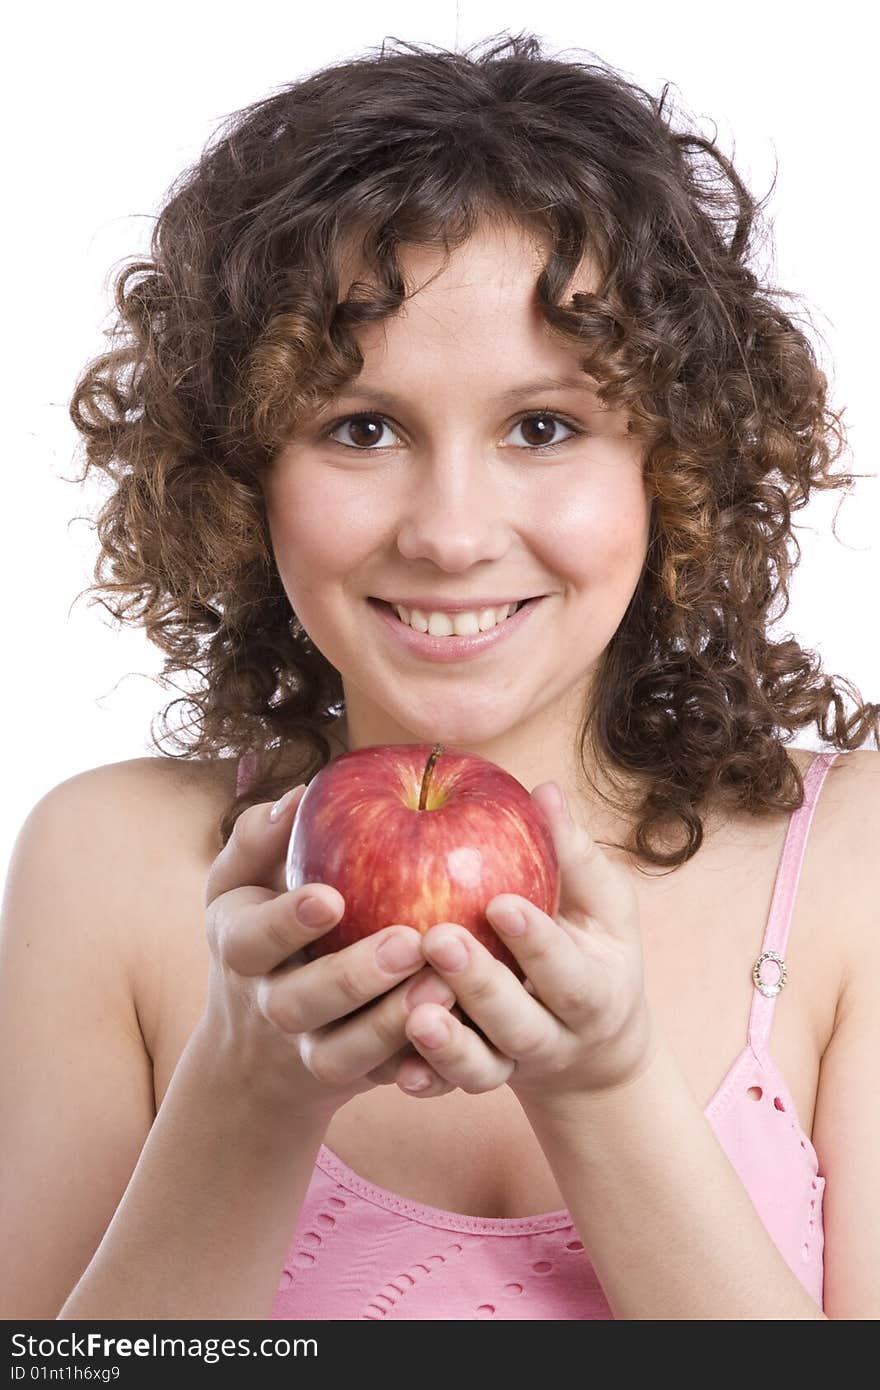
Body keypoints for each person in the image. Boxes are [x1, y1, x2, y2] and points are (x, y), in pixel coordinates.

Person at [1, 33, 878, 1323]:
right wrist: (246, 1094)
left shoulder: (851, 869)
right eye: (362, 428)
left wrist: (604, 1090)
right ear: (242, 474)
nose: (451, 532)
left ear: (674, 460)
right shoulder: (109, 865)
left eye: (544, 427)